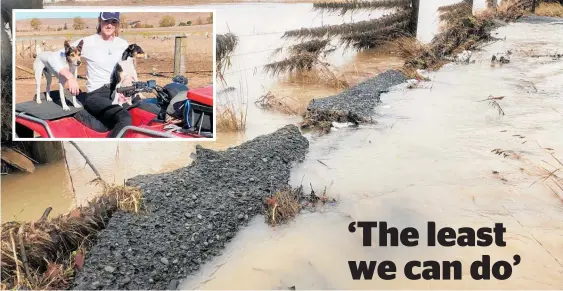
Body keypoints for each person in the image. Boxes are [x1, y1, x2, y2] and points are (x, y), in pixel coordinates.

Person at [49, 12, 132, 138]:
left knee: (144, 110)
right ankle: (80, 113)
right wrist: (70, 77)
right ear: (99, 21)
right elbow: (53, 57)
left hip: (118, 91)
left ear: (118, 24)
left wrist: (129, 85)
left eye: (113, 21)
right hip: (96, 94)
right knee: (124, 118)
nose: (109, 25)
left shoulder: (123, 44)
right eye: (106, 21)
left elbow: (128, 68)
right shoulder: (88, 42)